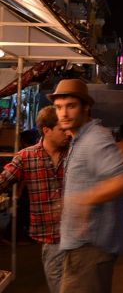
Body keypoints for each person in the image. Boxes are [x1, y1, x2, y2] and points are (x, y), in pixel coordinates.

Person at [49, 78, 123, 292]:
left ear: (86, 107)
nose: (64, 114)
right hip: (81, 246)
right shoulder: (80, 139)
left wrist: (84, 200)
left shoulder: (94, 139)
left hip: (90, 247)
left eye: (71, 106)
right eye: (59, 107)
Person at [0, 106, 70, 292]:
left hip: (79, 235)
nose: (67, 133)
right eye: (62, 129)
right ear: (47, 130)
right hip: (51, 238)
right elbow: (3, 180)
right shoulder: (26, 156)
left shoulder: (75, 154)